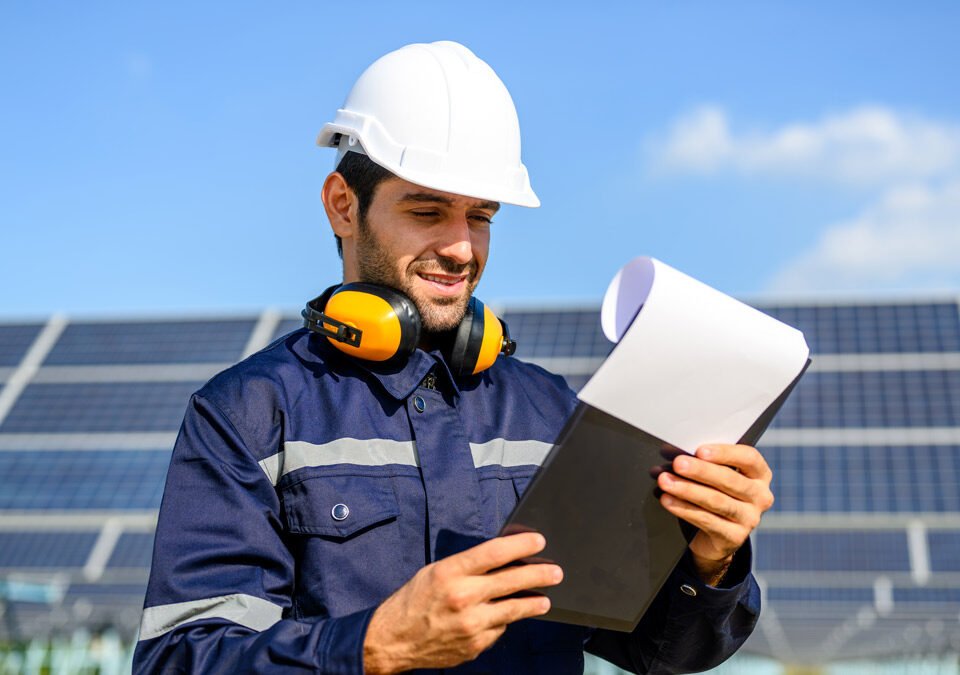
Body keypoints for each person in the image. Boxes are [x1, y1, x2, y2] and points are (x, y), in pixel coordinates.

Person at [133, 41, 773, 674]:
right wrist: (371, 646)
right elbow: (177, 660)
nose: (463, 249)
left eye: (481, 216)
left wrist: (713, 558)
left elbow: (660, 650)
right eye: (428, 210)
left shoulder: (551, 410)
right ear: (342, 205)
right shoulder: (246, 413)